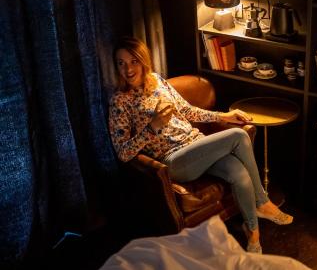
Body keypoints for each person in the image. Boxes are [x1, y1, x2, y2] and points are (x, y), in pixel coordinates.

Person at [108, 37, 293, 254]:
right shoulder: (120, 101)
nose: (128, 69)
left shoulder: (157, 81)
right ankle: (262, 201)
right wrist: (152, 127)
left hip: (197, 144)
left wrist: (223, 115)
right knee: (238, 136)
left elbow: (187, 111)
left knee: (238, 170)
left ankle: (253, 232)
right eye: (121, 63)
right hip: (174, 160)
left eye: (133, 61)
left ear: (143, 61)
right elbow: (122, 152)